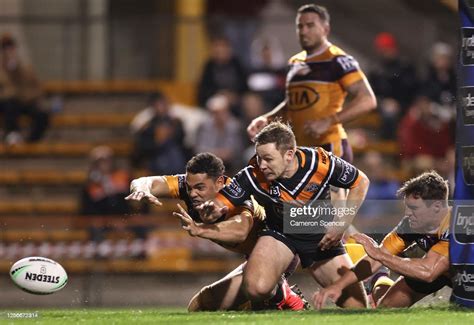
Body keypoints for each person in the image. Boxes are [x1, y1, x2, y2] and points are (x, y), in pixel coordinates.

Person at [198, 121, 370, 308]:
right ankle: (284, 295)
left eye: (268, 159)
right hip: (280, 234)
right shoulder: (253, 174)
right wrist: (211, 211)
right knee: (256, 288)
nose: (262, 165)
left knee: (357, 308)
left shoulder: (319, 162)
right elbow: (221, 202)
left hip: (319, 236)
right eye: (259, 157)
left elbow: (360, 182)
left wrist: (341, 223)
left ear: (289, 154)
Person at [125, 152, 307, 311]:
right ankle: (269, 301)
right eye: (189, 188)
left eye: (200, 188)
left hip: (279, 253)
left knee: (253, 292)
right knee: (199, 304)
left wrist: (201, 229)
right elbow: (147, 181)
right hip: (254, 259)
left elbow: (240, 230)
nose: (192, 193)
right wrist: (141, 189)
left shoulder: (236, 193)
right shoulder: (190, 185)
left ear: (220, 182)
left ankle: (282, 295)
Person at [247, 4, 376, 164]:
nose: (304, 31)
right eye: (300, 26)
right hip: (300, 151)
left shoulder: (337, 60)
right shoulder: (295, 62)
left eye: (310, 25)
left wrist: (329, 121)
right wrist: (268, 118)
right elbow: (292, 105)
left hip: (330, 148)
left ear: (325, 29)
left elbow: (367, 100)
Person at [313, 171, 450, 309]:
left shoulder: (456, 225)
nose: (407, 213)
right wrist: (338, 286)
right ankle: (379, 278)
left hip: (461, 275)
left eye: (414, 208)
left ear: (437, 206)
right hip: (437, 268)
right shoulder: (410, 224)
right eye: (407, 206)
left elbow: (428, 273)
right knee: (386, 308)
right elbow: (375, 259)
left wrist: (380, 255)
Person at [0, 33, 49, 144]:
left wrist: (17, 69)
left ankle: (30, 143)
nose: (7, 52)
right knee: (10, 103)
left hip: (24, 102)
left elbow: (36, 89)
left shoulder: (26, 68)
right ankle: (12, 134)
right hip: (7, 104)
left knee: (42, 115)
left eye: (10, 47)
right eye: (4, 48)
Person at [130, 92, 188, 174]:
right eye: (158, 104)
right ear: (153, 106)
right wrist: (157, 141)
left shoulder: (176, 123)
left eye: (164, 104)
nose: (162, 107)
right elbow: (142, 147)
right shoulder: (148, 126)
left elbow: (182, 142)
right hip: (157, 165)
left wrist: (171, 133)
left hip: (176, 165)